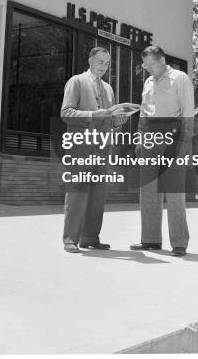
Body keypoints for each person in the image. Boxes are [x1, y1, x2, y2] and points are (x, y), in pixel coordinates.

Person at [61, 47, 127, 253]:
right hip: (81, 146)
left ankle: (90, 237)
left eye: (107, 64)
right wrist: (91, 115)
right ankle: (70, 239)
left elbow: (110, 118)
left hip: (102, 147)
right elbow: (66, 113)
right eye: (100, 62)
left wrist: (118, 121)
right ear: (90, 60)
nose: (104, 67)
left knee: (98, 194)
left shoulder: (108, 88)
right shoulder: (76, 81)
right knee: (78, 192)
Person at [130, 45, 194, 257]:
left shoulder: (180, 78)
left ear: (162, 60)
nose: (148, 69)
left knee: (174, 191)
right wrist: (139, 138)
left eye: (151, 64)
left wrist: (185, 142)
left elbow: (187, 111)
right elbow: (144, 113)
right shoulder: (148, 81)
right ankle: (150, 240)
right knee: (147, 191)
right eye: (145, 65)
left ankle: (179, 243)